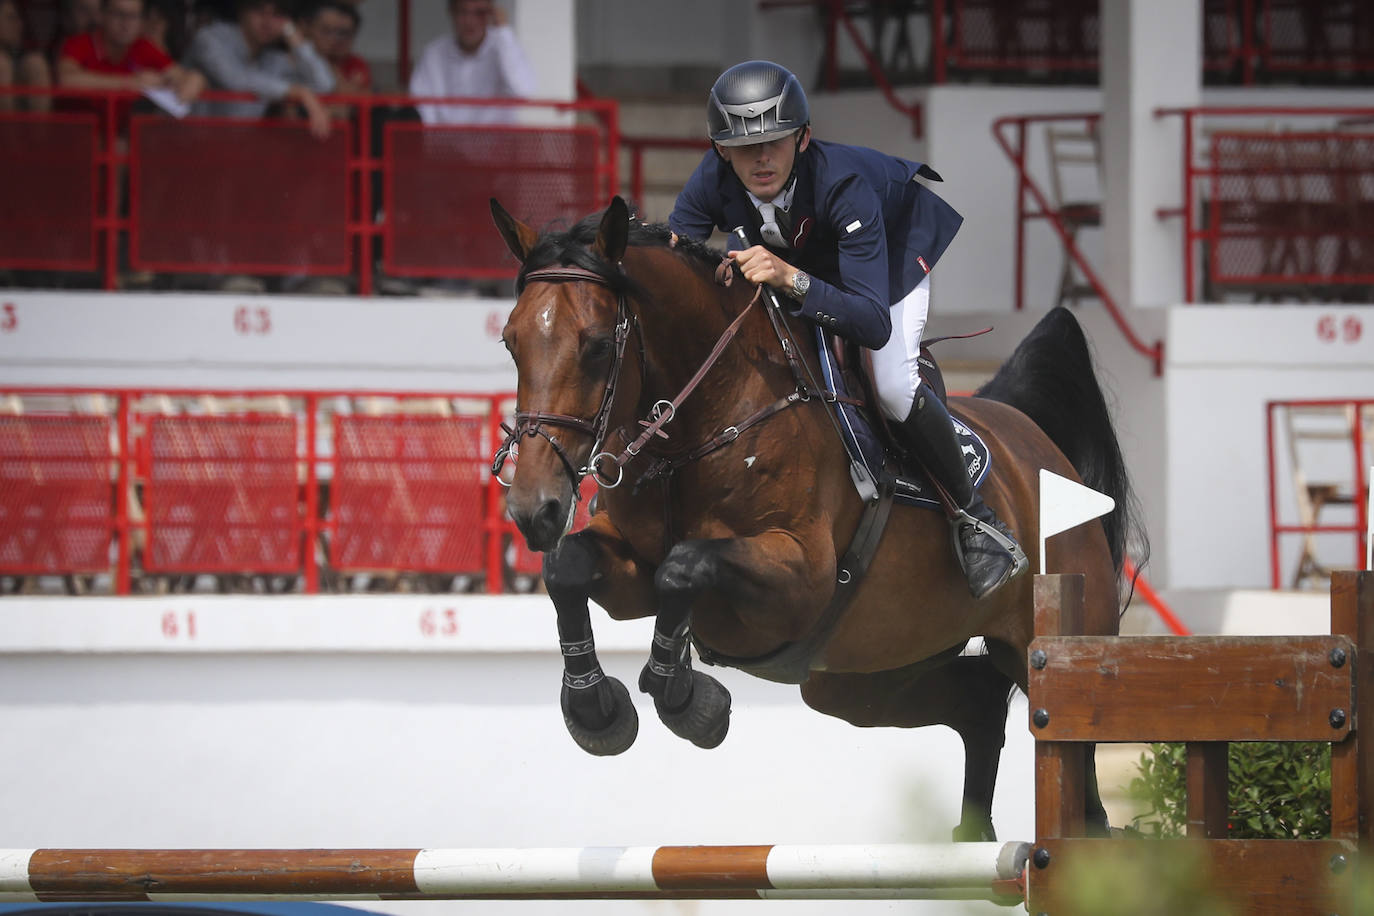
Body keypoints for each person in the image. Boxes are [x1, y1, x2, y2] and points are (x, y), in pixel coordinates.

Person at [669, 60, 1026, 600]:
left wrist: (788, 276)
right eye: (744, 148)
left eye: (776, 141)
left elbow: (869, 321)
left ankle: (977, 521)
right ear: (721, 150)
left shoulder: (846, 184)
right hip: (808, 256)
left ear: (804, 137)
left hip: (888, 257)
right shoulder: (710, 179)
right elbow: (677, 267)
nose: (761, 158)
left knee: (890, 384)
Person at [182, 0, 334, 138]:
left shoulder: (272, 58)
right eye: (259, 10)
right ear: (242, 11)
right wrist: (298, 91)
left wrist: (291, 33)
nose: (267, 22)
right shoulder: (209, 38)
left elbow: (323, 84)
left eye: (277, 14)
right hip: (185, 144)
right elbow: (236, 78)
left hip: (234, 151)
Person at [57, 0, 204, 130]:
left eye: (134, 16)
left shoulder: (144, 46)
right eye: (118, 14)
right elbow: (67, 80)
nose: (126, 23)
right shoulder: (79, 43)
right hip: (74, 134)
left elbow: (179, 76)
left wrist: (193, 79)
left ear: (142, 21)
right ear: (102, 15)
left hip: (122, 141)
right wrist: (130, 82)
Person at [408, 0, 533, 126]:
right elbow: (422, 108)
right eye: (462, 12)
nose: (469, 21)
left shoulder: (503, 49)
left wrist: (504, 31)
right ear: (451, 12)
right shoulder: (433, 54)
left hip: (496, 144)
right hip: (444, 143)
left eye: (479, 13)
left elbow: (523, 92)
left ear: (491, 13)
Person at [299, 0, 366, 115]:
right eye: (326, 30)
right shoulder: (299, 58)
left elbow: (350, 103)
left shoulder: (357, 63)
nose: (336, 38)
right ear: (307, 28)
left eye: (344, 33)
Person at [0, 0, 52, 111]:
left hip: (25, 123)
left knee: (36, 63)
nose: (19, 24)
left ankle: (40, 128)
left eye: (19, 18)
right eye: (11, 18)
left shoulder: (26, 60)